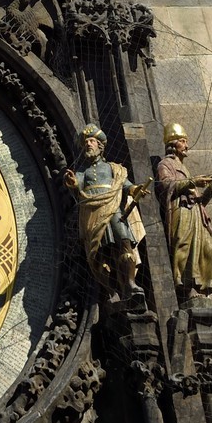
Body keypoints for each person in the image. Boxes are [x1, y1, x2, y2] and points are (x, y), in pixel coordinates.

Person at [64, 124, 149, 299]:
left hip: (114, 209)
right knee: (101, 252)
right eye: (86, 142)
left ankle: (130, 283)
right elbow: (77, 186)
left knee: (124, 243)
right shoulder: (83, 171)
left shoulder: (112, 168)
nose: (88, 144)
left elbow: (124, 184)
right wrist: (72, 182)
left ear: (100, 146)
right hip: (94, 213)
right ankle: (112, 289)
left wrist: (135, 189)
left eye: (92, 141)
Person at [156, 123, 212, 297]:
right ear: (173, 144)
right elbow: (165, 186)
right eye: (183, 141)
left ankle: (205, 286)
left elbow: (199, 201)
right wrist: (192, 181)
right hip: (181, 211)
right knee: (183, 245)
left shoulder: (185, 169)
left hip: (195, 212)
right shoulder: (165, 164)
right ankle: (183, 285)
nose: (186, 145)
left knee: (210, 250)